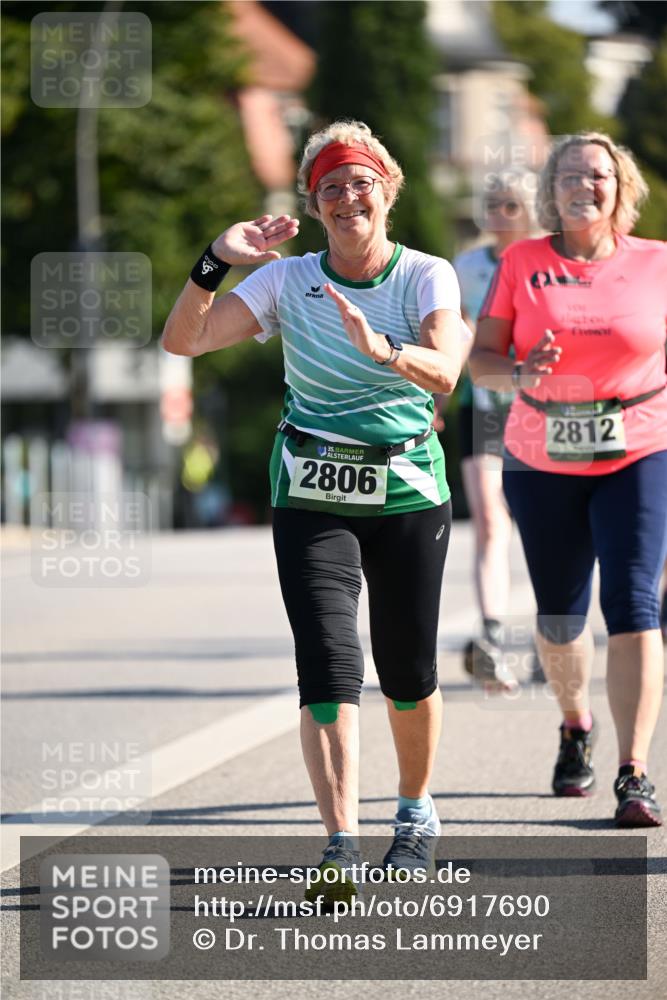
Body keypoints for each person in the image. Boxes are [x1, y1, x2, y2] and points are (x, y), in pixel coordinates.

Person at [162, 121, 465, 898]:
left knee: (406, 668)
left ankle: (414, 812)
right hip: (311, 489)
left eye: (360, 181)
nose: (346, 196)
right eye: (330, 185)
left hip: (406, 488)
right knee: (328, 665)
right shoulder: (286, 279)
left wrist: (383, 351)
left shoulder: (426, 275)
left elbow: (446, 373)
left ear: (387, 189)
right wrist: (216, 260)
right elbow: (183, 342)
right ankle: (339, 842)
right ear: (314, 203)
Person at [469, 132, 667, 828]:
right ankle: (574, 722)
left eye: (599, 175)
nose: (585, 185)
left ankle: (633, 771)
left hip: (638, 445)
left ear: (621, 189)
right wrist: (520, 374)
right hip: (541, 452)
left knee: (634, 602)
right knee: (559, 616)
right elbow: (481, 360)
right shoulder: (521, 262)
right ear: (550, 193)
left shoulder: (657, 264)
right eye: (571, 176)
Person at [453, 174, 536, 691]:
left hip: (536, 406)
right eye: (491, 205)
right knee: (488, 518)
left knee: (545, 519)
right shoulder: (465, 267)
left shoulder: (545, 262)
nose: (498, 214)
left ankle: (557, 631)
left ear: (528, 210)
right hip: (481, 406)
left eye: (509, 205)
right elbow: (453, 336)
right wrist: (436, 395)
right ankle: (492, 636)